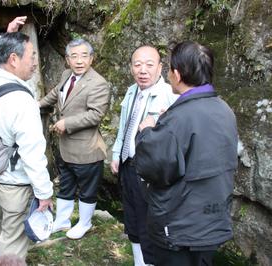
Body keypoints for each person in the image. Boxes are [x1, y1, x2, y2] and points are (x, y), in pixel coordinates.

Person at [135, 41, 238, 266]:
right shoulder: (224, 109)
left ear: (177, 74)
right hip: (212, 219)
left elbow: (155, 168)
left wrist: (147, 132)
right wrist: (169, 123)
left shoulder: (179, 118)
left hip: (180, 226)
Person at [0, 17, 53, 259]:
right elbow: (32, 153)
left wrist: (5, 37)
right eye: (31, 57)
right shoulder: (22, 100)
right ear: (13, 59)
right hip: (16, 182)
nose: (35, 63)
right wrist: (44, 192)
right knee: (14, 234)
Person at [110, 45, 178, 266]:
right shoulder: (132, 91)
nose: (143, 70)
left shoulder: (170, 96)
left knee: (149, 222)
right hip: (127, 164)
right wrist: (116, 154)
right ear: (131, 67)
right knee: (132, 219)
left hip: (150, 171)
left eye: (149, 65)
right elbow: (124, 126)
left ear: (160, 68)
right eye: (137, 65)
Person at [39, 39, 110, 240]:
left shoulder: (98, 83)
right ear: (67, 59)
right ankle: (62, 222)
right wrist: (37, 105)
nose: (79, 61)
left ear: (91, 58)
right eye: (74, 56)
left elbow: (96, 114)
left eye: (84, 55)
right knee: (66, 185)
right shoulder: (66, 75)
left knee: (87, 190)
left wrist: (67, 123)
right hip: (66, 146)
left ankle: (84, 223)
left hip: (87, 149)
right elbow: (55, 94)